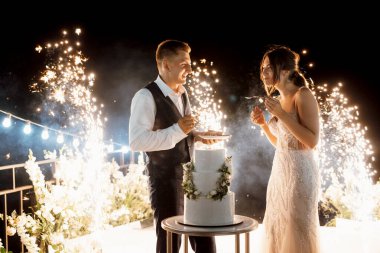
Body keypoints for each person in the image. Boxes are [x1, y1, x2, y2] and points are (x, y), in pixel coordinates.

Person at [129, 40, 217, 253]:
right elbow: (137, 141)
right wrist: (179, 130)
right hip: (165, 181)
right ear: (166, 64)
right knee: (170, 243)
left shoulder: (183, 92)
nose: (190, 69)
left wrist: (196, 135)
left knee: (205, 236)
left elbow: (179, 130)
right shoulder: (145, 96)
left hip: (191, 177)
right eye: (184, 63)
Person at [251, 45, 321, 253]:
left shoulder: (303, 95)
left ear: (284, 70)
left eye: (268, 68)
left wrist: (281, 115)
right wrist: (264, 124)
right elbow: (282, 145)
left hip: (300, 174)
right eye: (263, 68)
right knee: (277, 227)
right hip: (280, 172)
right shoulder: (279, 100)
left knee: (296, 229)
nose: (263, 73)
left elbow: (312, 141)